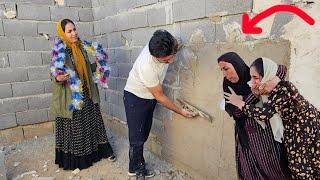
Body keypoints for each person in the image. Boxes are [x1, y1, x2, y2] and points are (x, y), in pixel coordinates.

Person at [225, 57, 320, 179]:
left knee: (301, 165)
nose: (252, 82)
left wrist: (240, 103)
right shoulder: (271, 86)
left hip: (304, 127)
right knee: (304, 162)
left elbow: (265, 114)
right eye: (251, 77)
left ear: (267, 75)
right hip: (296, 128)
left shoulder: (283, 88)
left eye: (255, 77)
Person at [123, 30, 195, 180]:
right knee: (137, 138)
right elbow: (160, 96)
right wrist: (180, 111)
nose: (171, 61)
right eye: (166, 60)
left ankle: (133, 165)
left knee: (143, 133)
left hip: (149, 97)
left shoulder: (166, 42)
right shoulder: (146, 66)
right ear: (156, 57)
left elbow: (173, 45)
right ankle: (137, 169)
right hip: (136, 97)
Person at [50, 19, 116, 170]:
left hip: (86, 91)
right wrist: (58, 78)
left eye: (74, 29)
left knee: (93, 122)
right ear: (63, 33)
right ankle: (79, 160)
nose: (74, 33)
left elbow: (85, 68)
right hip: (71, 95)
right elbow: (54, 74)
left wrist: (97, 65)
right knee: (76, 127)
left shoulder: (81, 47)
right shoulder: (59, 51)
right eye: (69, 31)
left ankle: (100, 151)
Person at [217, 52, 291, 180]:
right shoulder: (227, 85)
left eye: (226, 68)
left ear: (236, 64)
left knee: (272, 168)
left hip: (265, 133)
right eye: (221, 70)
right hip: (245, 136)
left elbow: (281, 70)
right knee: (249, 171)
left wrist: (243, 99)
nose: (225, 74)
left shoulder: (252, 75)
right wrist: (252, 96)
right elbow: (237, 113)